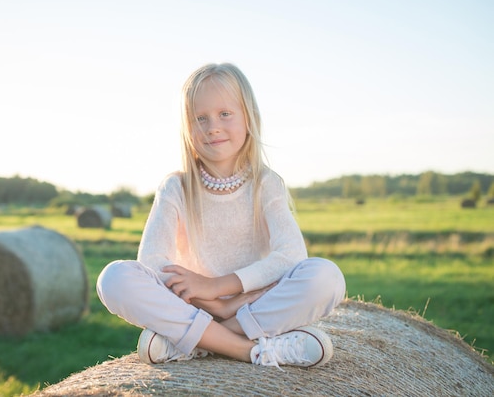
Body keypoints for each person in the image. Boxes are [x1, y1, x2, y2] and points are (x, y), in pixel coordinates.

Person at [96, 63, 346, 369]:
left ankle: (197, 343)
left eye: (225, 114)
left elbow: (292, 255)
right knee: (114, 279)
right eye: (200, 118)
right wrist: (212, 302)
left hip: (255, 305)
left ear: (248, 117)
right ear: (187, 129)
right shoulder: (176, 187)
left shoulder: (266, 184)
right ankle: (247, 349)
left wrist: (221, 290)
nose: (212, 126)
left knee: (327, 278)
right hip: (190, 307)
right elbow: (153, 262)